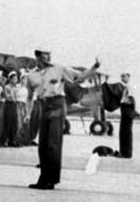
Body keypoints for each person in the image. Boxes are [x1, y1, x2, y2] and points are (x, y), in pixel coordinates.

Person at [24, 49, 100, 190]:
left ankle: (51, 180)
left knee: (53, 143)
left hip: (57, 104)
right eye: (45, 54)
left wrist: (94, 68)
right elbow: (29, 96)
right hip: (43, 105)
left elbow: (81, 77)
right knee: (43, 145)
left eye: (49, 53)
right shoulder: (31, 75)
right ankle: (43, 178)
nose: (49, 56)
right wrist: (28, 113)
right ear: (37, 55)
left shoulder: (59, 69)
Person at [117, 73, 134, 159]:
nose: (122, 77)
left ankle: (126, 153)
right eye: (121, 76)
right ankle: (124, 152)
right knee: (124, 132)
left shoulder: (129, 87)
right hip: (126, 110)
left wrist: (123, 103)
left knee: (125, 132)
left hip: (127, 110)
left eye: (124, 76)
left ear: (128, 76)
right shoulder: (126, 87)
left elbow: (131, 99)